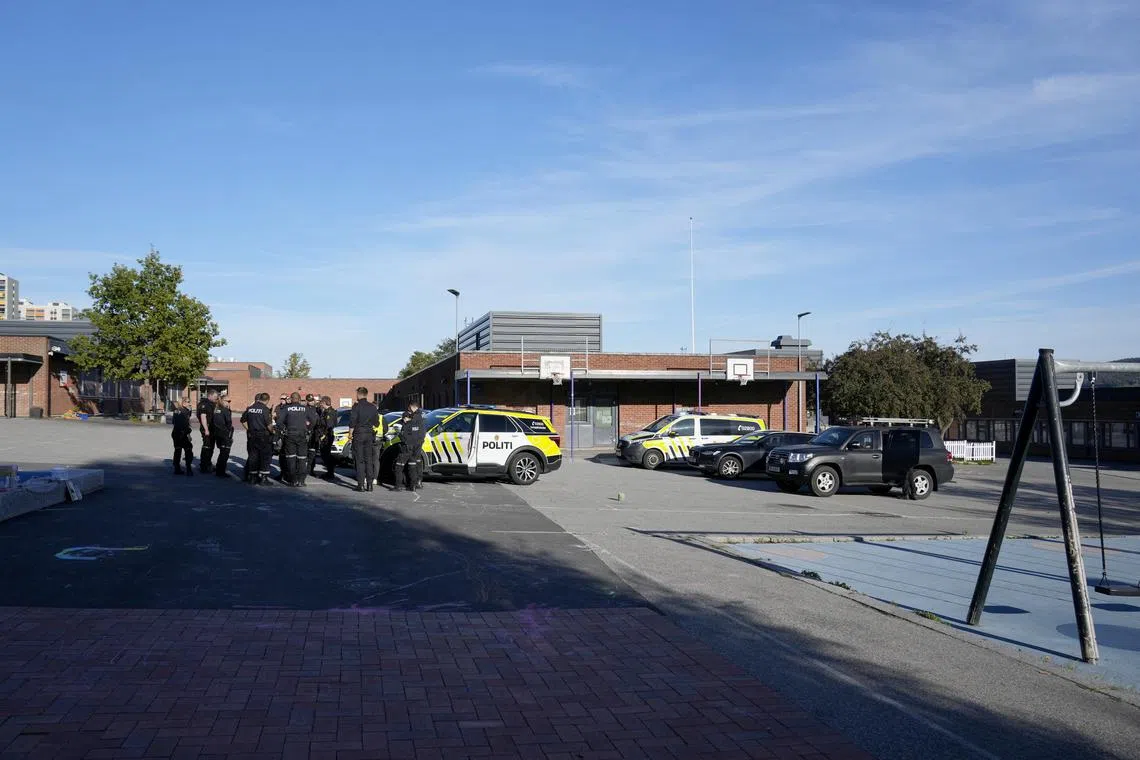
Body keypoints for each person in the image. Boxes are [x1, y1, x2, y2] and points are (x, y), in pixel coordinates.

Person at [349, 387, 380, 492]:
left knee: (360, 460)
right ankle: (370, 485)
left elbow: (352, 422)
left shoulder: (356, 407)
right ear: (366, 394)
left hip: (358, 434)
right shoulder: (372, 407)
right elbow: (377, 423)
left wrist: (350, 435)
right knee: (369, 459)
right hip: (369, 434)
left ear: (358, 394)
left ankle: (361, 485)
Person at [278, 391, 312, 486]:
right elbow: (313, 420)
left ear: (292, 399)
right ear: (300, 399)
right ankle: (301, 480)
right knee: (302, 458)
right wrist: (308, 429)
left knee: (291, 458)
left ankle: (293, 480)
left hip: (290, 435)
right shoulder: (305, 409)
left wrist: (283, 429)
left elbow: (279, 422)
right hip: (302, 435)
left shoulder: (286, 408)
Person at [241, 392, 274, 485]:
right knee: (265, 457)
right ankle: (264, 479)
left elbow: (243, 421)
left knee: (253, 456)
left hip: (252, 436)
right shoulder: (265, 410)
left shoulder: (250, 409)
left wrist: (249, 429)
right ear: (267, 400)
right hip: (263, 437)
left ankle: (252, 478)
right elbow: (269, 426)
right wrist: (273, 432)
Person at [393, 400, 426, 491]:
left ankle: (398, 485)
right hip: (418, 445)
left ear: (411, 407)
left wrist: (402, 437)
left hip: (408, 445)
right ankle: (414, 485)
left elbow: (404, 432)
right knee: (413, 464)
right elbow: (422, 432)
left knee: (399, 465)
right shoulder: (421, 417)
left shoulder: (409, 421)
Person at [211, 394, 235, 478]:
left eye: (230, 401)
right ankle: (221, 471)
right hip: (225, 434)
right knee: (225, 453)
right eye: (228, 401)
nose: (229, 403)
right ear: (222, 401)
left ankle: (219, 469)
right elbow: (229, 422)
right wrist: (229, 433)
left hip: (218, 433)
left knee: (222, 452)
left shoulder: (217, 409)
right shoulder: (225, 410)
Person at [196, 389, 219, 474]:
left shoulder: (212, 404)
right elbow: (203, 417)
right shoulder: (204, 404)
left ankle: (208, 463)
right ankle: (204, 466)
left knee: (211, 447)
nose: (216, 399)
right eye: (215, 397)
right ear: (210, 395)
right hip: (207, 429)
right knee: (207, 447)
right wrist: (206, 429)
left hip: (212, 429)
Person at [171, 397, 195, 476]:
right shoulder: (184, 411)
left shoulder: (176, 410)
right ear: (183, 402)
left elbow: (173, 422)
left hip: (175, 433)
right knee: (188, 450)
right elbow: (185, 424)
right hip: (183, 433)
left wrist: (189, 410)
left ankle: (176, 468)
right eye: (188, 402)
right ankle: (188, 469)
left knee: (177, 450)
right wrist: (188, 433)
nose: (189, 403)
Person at [318, 396, 339, 481]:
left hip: (327, 436)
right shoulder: (328, 411)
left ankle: (330, 473)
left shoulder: (329, 412)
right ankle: (329, 472)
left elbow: (329, 426)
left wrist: (323, 435)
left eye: (321, 403)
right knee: (325, 455)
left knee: (326, 455)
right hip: (327, 436)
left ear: (324, 403)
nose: (321, 404)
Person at [305, 394, 323, 476]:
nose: (311, 402)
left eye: (312, 400)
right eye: (309, 401)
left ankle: (310, 470)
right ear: (307, 401)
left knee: (312, 453)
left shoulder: (317, 409)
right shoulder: (304, 409)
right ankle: (302, 470)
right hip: (307, 433)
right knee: (305, 453)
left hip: (315, 434)